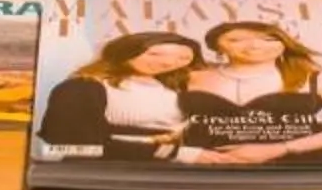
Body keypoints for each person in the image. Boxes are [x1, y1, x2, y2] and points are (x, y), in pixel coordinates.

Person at [179, 19, 322, 171]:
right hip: (206, 167)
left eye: (268, 39)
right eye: (236, 40)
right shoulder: (187, 78)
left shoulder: (318, 79)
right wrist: (191, 154)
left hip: (306, 168)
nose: (254, 46)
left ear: (284, 44)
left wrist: (280, 148)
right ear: (216, 46)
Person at [35, 31, 200, 160]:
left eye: (183, 58)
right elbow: (73, 145)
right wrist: (165, 150)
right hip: (113, 170)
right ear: (126, 52)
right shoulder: (83, 87)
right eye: (154, 54)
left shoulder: (175, 88)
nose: (168, 63)